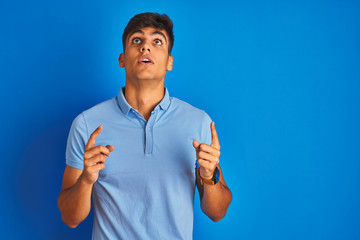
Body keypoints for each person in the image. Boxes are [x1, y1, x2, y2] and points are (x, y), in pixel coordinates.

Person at [57, 12, 232, 239]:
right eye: (137, 40)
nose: (145, 47)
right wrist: (86, 180)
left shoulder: (198, 122)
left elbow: (217, 212)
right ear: (122, 59)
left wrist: (209, 175)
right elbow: (70, 218)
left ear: (169, 61)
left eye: (157, 41)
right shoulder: (86, 124)